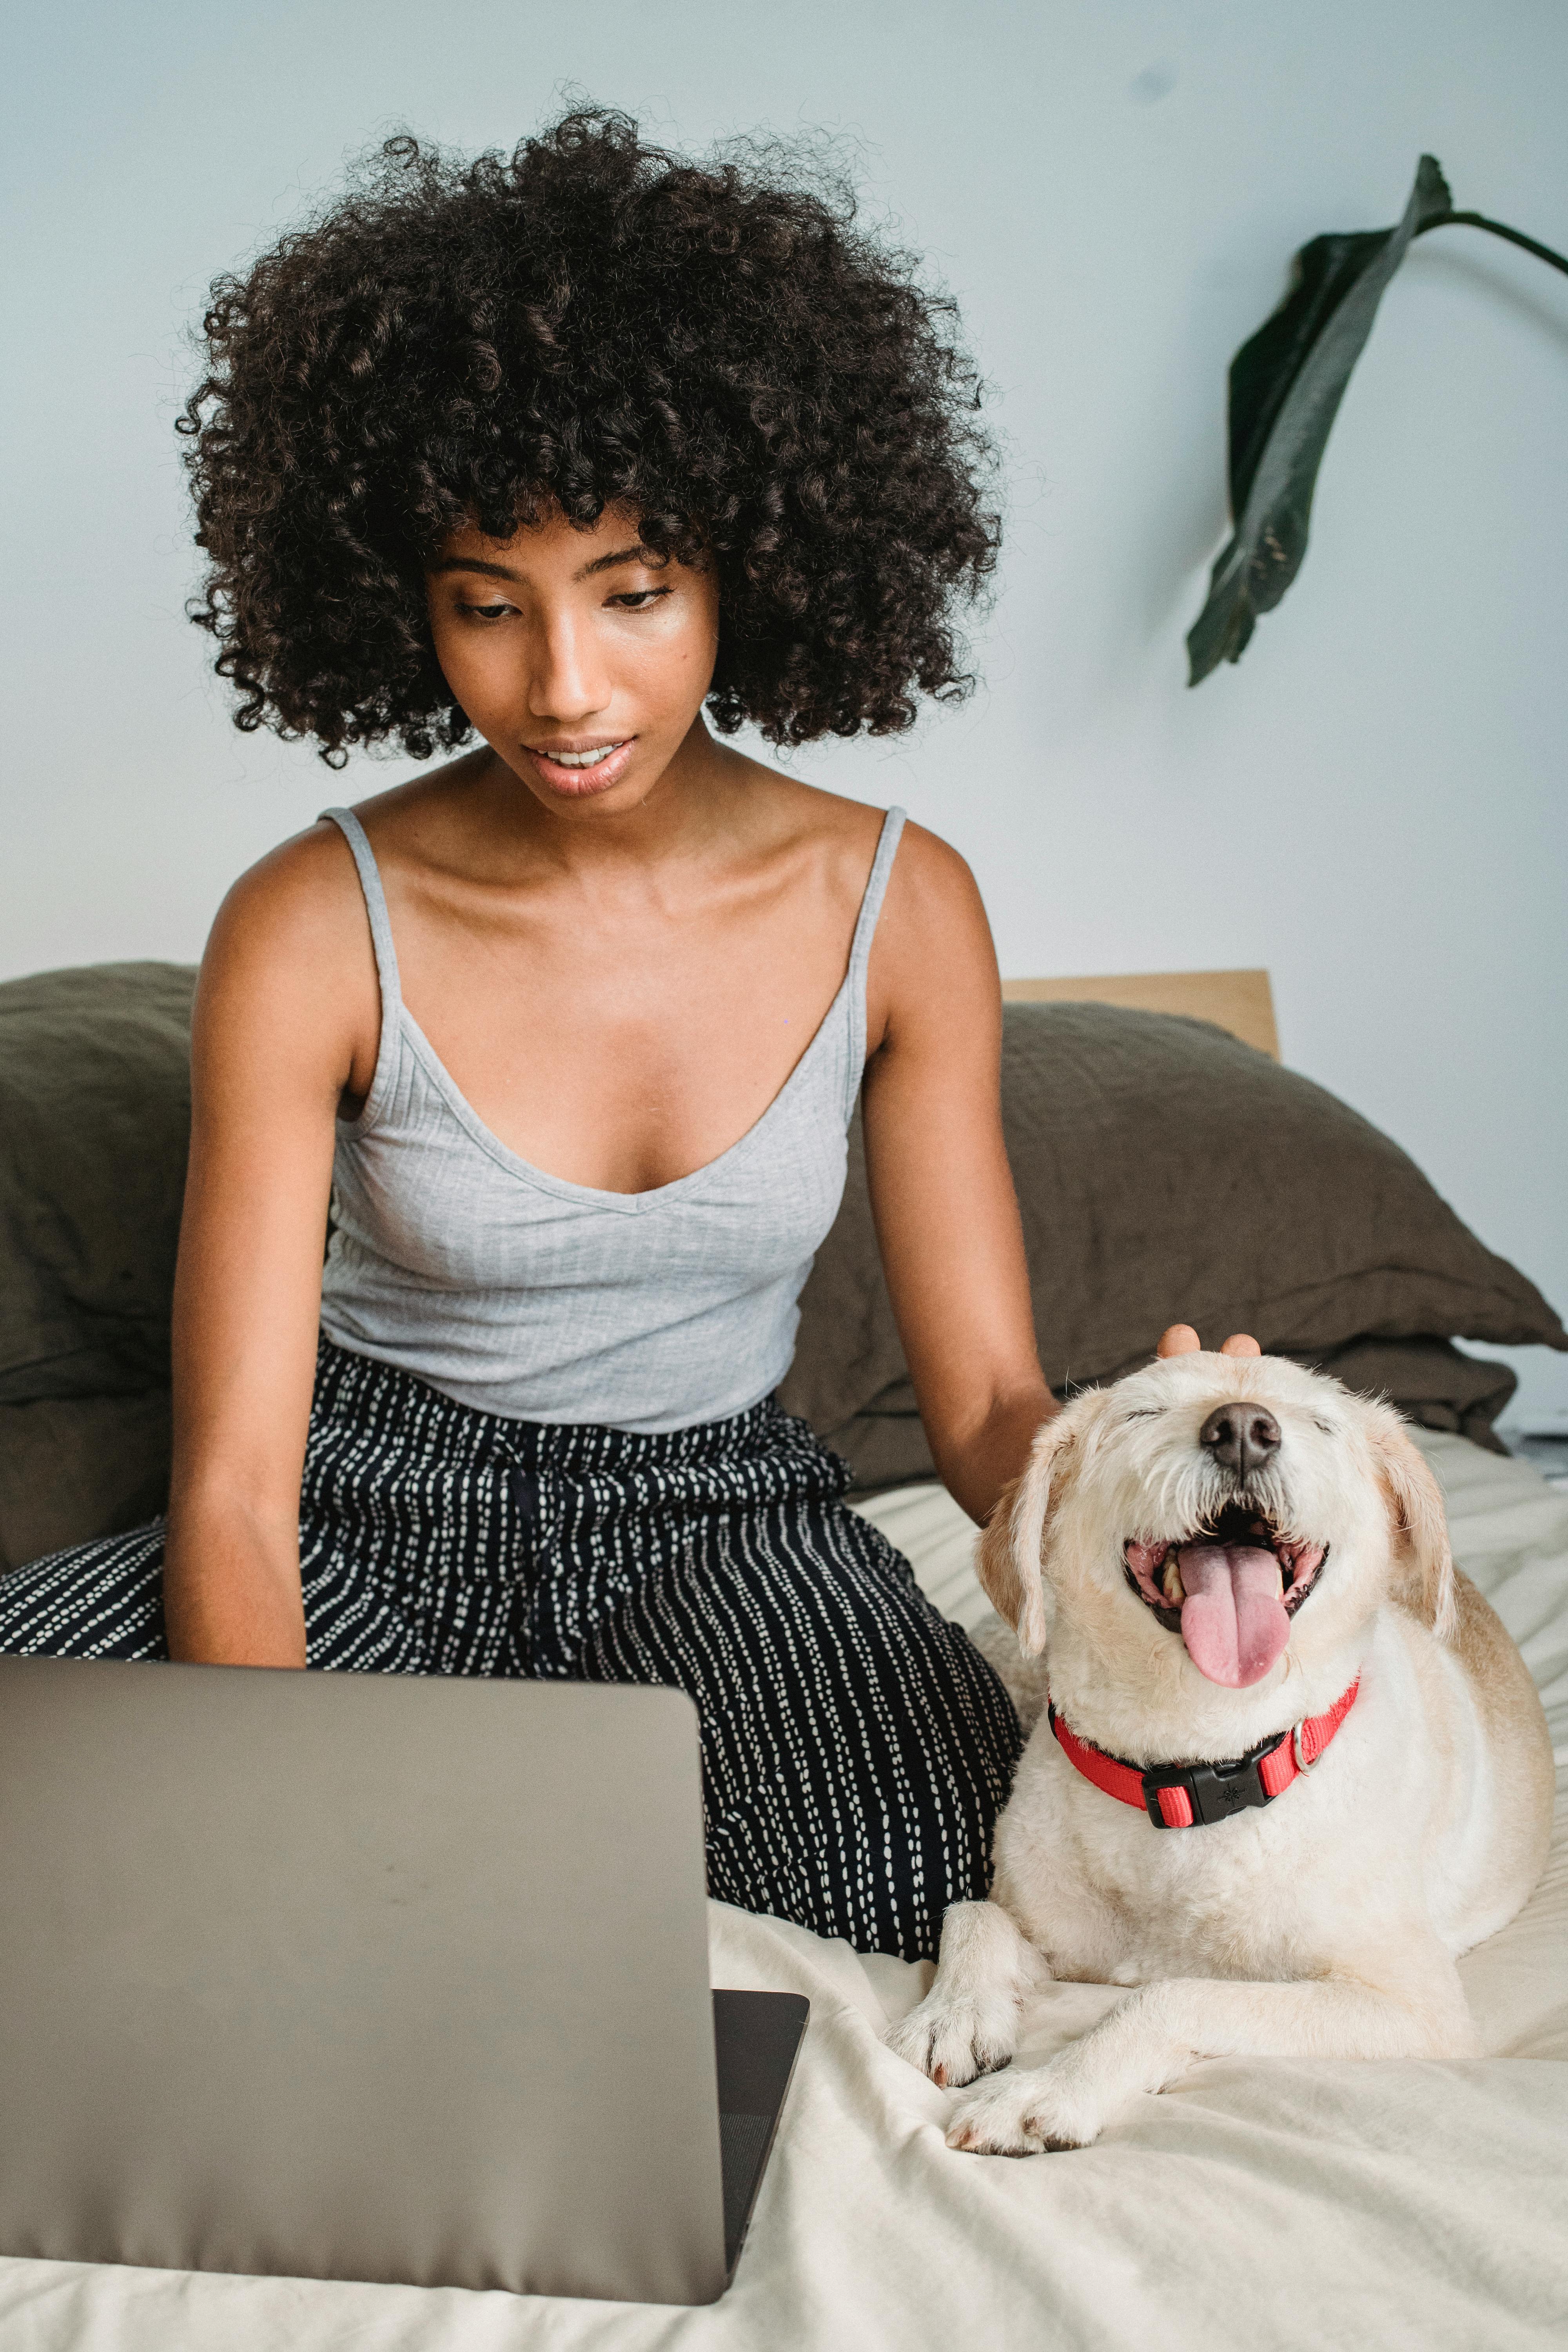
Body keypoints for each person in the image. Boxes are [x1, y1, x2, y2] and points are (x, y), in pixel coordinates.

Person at [1, 113, 1254, 1963]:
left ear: (755, 560)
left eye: (633, 594)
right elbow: (236, 1488)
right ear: (398, 604)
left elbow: (988, 1408)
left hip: (711, 1515)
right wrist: (270, 1831)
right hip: (365, 1504)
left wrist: (1155, 1475)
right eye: (483, 608)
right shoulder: (304, 926)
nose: (564, 690)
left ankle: (529, 1813)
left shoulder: (898, 905)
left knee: (935, 1871)